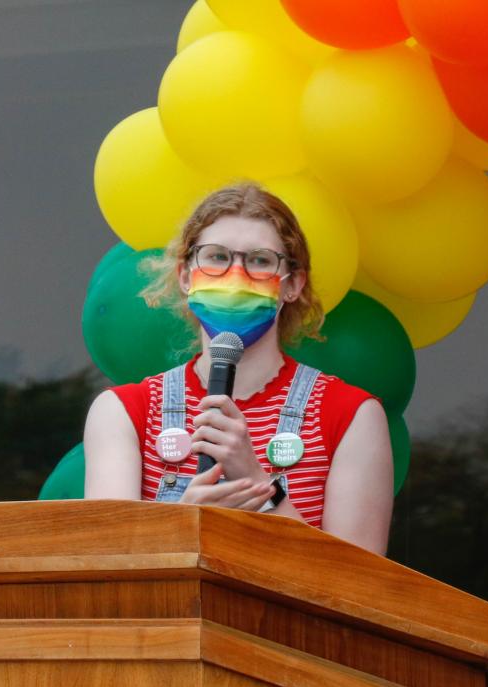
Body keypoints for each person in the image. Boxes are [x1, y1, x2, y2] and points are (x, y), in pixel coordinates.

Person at [82, 182, 394, 554]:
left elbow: (360, 584)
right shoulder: (125, 412)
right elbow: (107, 564)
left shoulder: (349, 415)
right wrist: (185, 523)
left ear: (292, 284)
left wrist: (258, 484)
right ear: (185, 275)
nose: (235, 275)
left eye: (260, 261)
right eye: (216, 257)